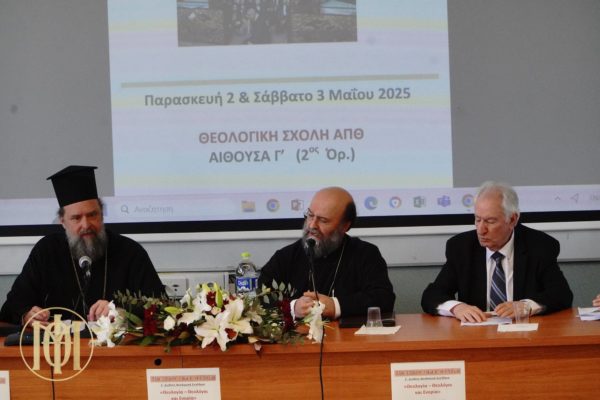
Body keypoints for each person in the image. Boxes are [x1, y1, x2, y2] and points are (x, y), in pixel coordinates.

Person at [0, 165, 165, 326]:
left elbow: (160, 308)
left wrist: (121, 312)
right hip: (59, 344)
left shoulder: (130, 252)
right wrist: (27, 315)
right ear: (63, 221)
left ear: (102, 215)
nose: (86, 225)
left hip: (115, 344)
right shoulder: (46, 251)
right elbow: (11, 307)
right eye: (76, 218)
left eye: (92, 215)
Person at [421, 181, 573, 323]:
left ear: (512, 220)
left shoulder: (540, 246)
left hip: (523, 332)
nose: (481, 230)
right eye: (478, 220)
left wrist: (526, 306)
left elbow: (561, 294)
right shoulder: (461, 248)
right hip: (476, 333)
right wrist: (456, 307)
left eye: (490, 221)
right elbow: (431, 295)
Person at [258, 187, 395, 319]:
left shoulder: (366, 254)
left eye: (323, 220)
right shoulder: (286, 257)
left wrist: (335, 306)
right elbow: (260, 296)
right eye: (310, 215)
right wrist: (293, 308)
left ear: (345, 226)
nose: (312, 225)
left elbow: (383, 298)